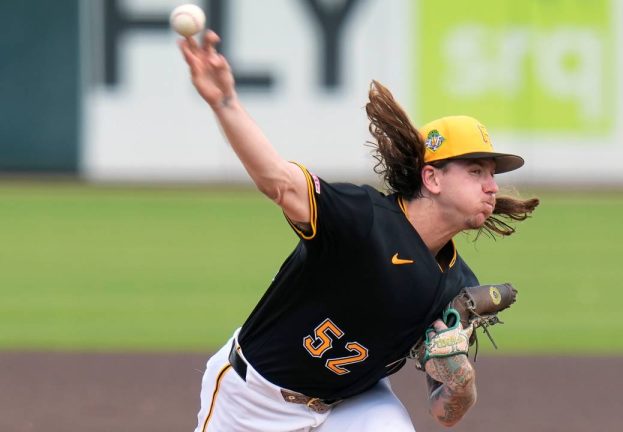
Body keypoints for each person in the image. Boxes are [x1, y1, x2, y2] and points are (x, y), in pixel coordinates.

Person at [179, 30, 539, 432]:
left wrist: (459, 379)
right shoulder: (363, 219)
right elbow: (277, 180)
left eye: (492, 175)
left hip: (352, 406)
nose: (492, 186)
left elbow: (445, 414)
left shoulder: (456, 284)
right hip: (254, 400)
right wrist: (225, 101)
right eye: (476, 172)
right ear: (432, 179)